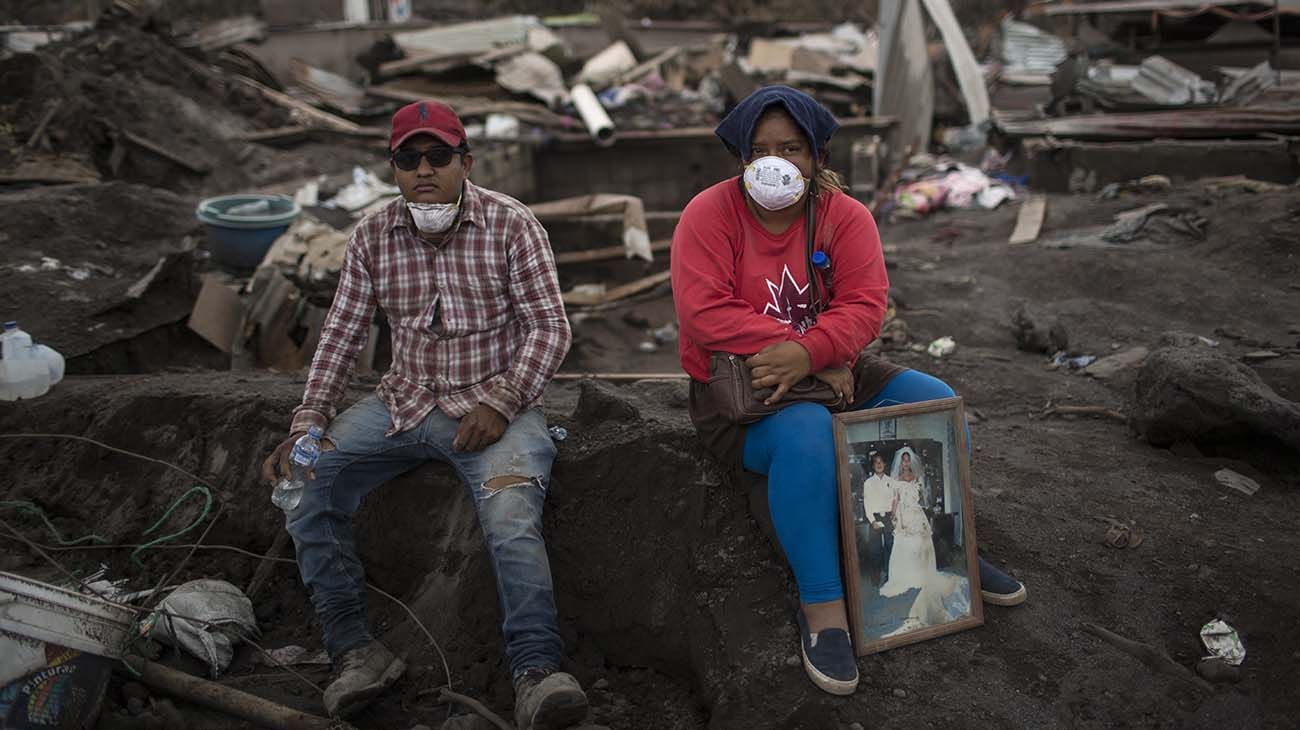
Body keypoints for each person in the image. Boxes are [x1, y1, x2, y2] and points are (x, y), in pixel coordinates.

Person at [670, 86, 1027, 697]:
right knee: (808, 437)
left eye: (790, 147)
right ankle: (825, 612)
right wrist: (810, 353)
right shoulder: (709, 214)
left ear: (815, 153)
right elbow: (704, 314)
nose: (774, 162)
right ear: (740, 159)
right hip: (740, 389)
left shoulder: (844, 216)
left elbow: (865, 306)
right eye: (759, 151)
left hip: (830, 366)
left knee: (935, 406)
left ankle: (950, 552)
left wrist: (816, 353)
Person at [262, 100, 589, 729]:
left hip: (497, 406)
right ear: (394, 170)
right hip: (401, 404)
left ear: (465, 162)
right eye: (409, 159)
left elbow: (549, 329)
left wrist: (500, 401)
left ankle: (535, 671)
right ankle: (356, 653)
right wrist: (305, 429)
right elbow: (340, 336)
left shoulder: (512, 226)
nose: (425, 170)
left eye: (439, 155)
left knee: (511, 513)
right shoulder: (370, 235)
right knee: (302, 483)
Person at [879, 447, 937, 598]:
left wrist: (926, 503)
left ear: (911, 461)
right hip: (903, 513)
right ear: (900, 462)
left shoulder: (916, 476)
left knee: (921, 543)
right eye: (903, 460)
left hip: (916, 512)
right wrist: (893, 515)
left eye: (908, 460)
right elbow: (895, 499)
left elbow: (923, 496)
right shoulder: (896, 478)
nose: (905, 463)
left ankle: (922, 575)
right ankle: (905, 577)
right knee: (904, 545)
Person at [861, 452, 896, 585]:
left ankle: (889, 575)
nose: (879, 464)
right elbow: (867, 503)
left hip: (888, 517)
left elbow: (894, 499)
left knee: (890, 546)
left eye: (881, 462)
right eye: (876, 462)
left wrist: (893, 515)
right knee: (875, 549)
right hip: (875, 517)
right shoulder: (868, 483)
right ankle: (875, 579)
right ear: (873, 466)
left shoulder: (890, 481)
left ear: (885, 464)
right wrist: (872, 520)